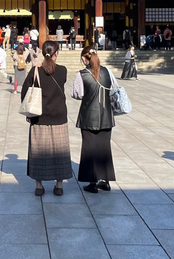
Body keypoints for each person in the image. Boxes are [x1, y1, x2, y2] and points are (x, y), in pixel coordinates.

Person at [21, 40, 71, 196]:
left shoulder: (35, 71)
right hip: (59, 116)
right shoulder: (62, 70)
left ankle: (39, 186)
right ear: (56, 53)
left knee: (39, 151)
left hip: (39, 116)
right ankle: (59, 185)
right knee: (60, 151)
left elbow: (24, 92)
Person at [72, 46, 116, 193]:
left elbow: (77, 94)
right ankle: (106, 180)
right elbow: (113, 88)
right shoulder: (107, 71)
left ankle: (92, 182)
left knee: (89, 149)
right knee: (104, 148)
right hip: (106, 116)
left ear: (85, 59)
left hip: (88, 116)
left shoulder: (82, 74)